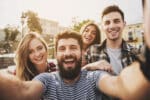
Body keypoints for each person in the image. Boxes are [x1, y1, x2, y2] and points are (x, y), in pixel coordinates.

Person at [87, 5, 138, 75]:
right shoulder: (92, 51)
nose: (112, 26)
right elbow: (78, 79)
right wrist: (90, 66)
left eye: (116, 21)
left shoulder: (136, 53)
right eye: (107, 23)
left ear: (124, 24)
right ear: (102, 27)